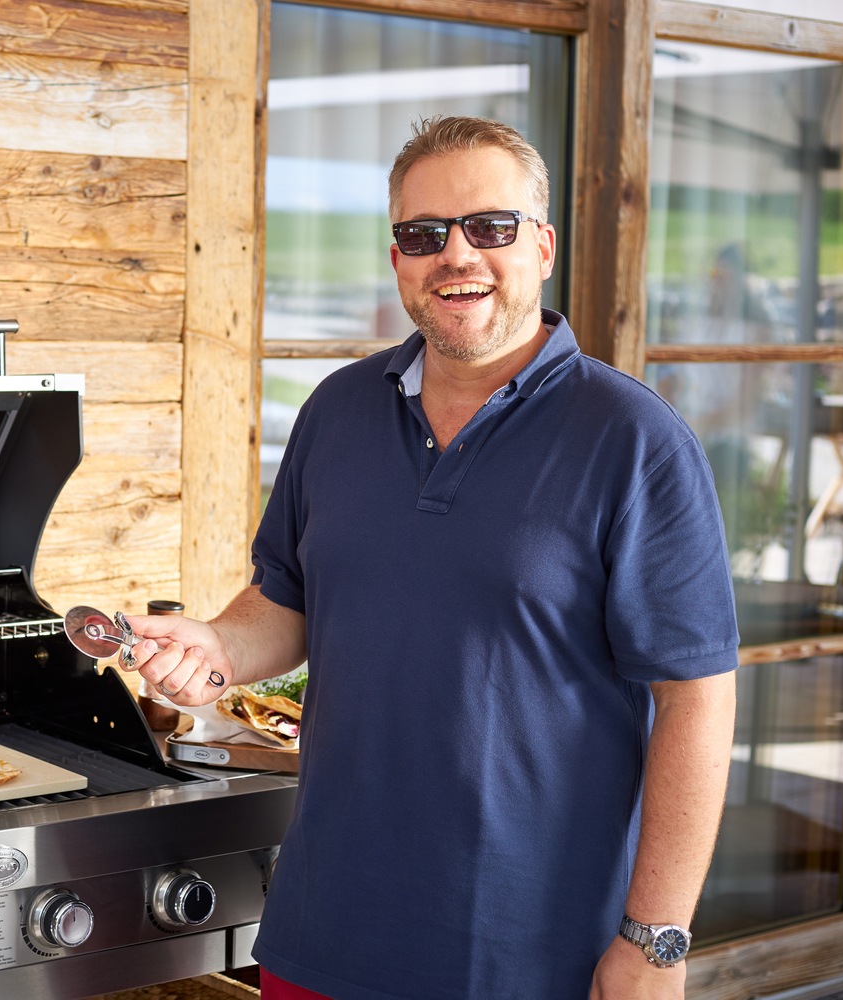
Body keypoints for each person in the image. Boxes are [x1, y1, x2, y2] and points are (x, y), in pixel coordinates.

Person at [122, 116, 738, 999]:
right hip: (321, 933)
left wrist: (654, 940)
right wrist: (217, 648)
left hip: (530, 952)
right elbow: (287, 601)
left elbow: (697, 701)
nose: (457, 255)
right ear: (397, 257)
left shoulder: (636, 440)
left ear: (543, 246)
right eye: (424, 234)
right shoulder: (336, 410)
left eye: (490, 227)